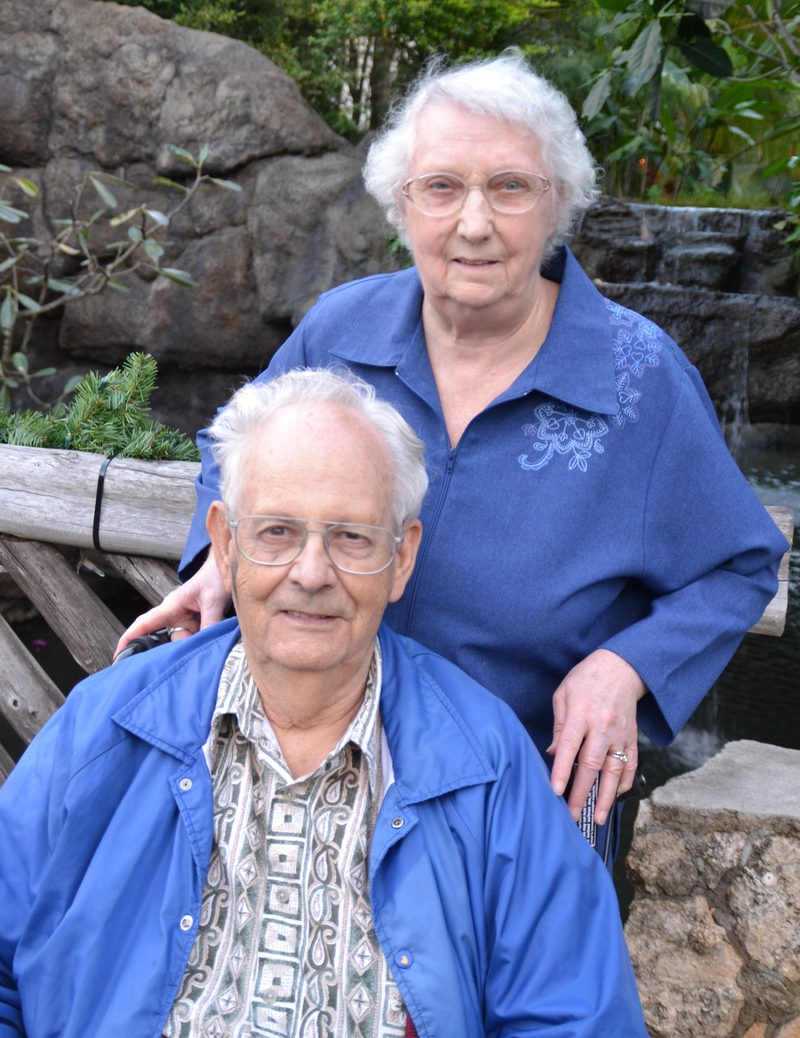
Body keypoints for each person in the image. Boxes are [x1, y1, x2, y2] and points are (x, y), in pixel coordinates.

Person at [121, 51, 787, 832]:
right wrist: (219, 564)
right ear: (403, 205)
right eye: (442, 187)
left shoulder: (638, 380)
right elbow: (229, 448)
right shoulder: (342, 330)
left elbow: (739, 563)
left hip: (511, 814)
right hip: (304, 782)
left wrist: (628, 667)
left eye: (510, 187)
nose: (474, 222)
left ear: (558, 202)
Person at [0, 370, 648, 1038]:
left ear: (402, 559)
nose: (311, 573)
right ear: (224, 543)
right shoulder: (106, 725)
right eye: (277, 531)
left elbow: (577, 1014)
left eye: (351, 538)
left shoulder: (484, 763)